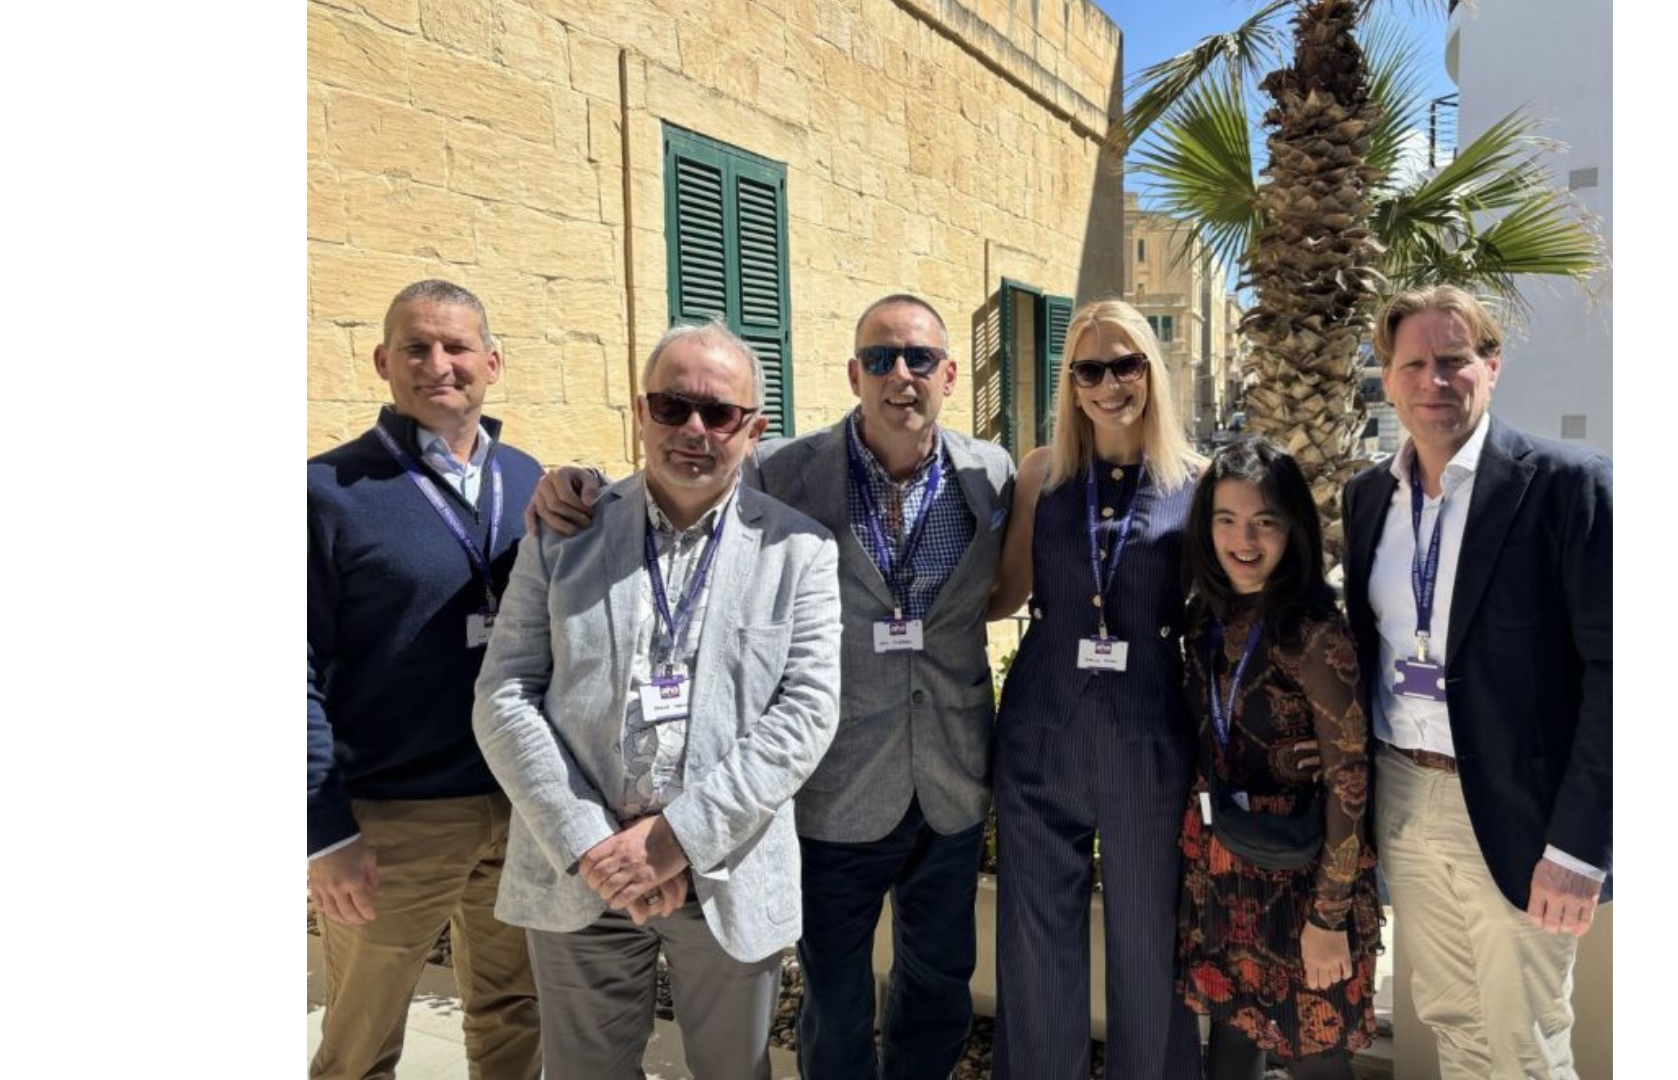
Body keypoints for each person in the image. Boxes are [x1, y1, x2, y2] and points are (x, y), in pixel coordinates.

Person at [530, 294, 1015, 1080]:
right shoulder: (783, 468)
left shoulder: (990, 475)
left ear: (950, 375)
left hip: (952, 779)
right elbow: (685, 472)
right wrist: (575, 482)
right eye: (881, 358)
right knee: (835, 991)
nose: (900, 374)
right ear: (854, 374)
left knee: (940, 978)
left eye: (919, 358)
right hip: (836, 787)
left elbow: (1002, 587)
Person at [471, 320, 843, 1080]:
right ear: (641, 412)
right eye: (673, 406)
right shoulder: (561, 533)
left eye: (720, 413)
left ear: (754, 430)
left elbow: (806, 713)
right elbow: (504, 693)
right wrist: (592, 845)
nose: (694, 430)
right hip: (580, 872)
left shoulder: (801, 551)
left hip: (725, 872)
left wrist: (675, 839)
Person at [1342, 284, 1611, 1079]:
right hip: (1403, 793)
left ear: (1491, 368)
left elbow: (1619, 673)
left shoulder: (1566, 485)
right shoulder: (1368, 498)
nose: (1433, 381)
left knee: (1525, 1043)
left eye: (1454, 360)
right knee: (1452, 1021)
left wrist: (1579, 847)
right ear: (1388, 378)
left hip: (1516, 810)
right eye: (1413, 364)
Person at [307, 279, 542, 1080]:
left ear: (492, 363)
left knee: (514, 1018)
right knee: (361, 1043)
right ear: (383, 362)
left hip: (519, 805)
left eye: (456, 346)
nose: (438, 364)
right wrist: (324, 835)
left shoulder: (527, 478)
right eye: (416, 347)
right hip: (392, 821)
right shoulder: (324, 493)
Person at [984, 299, 1208, 1080]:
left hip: (1150, 732)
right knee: (1036, 943)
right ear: (1072, 384)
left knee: (1150, 941)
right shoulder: (1040, 474)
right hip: (1041, 730)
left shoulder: (1196, 482)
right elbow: (1005, 592)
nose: (1110, 384)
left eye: (1126, 365)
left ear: (1151, 371)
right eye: (1091, 370)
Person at [1174, 438, 1383, 1080]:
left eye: (1265, 521)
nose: (1244, 540)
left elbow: (1350, 782)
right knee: (1231, 1052)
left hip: (1304, 882)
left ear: (1293, 527)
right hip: (1225, 876)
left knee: (1318, 1059)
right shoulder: (1204, 623)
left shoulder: (1317, 636)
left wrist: (1328, 917)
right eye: (1227, 519)